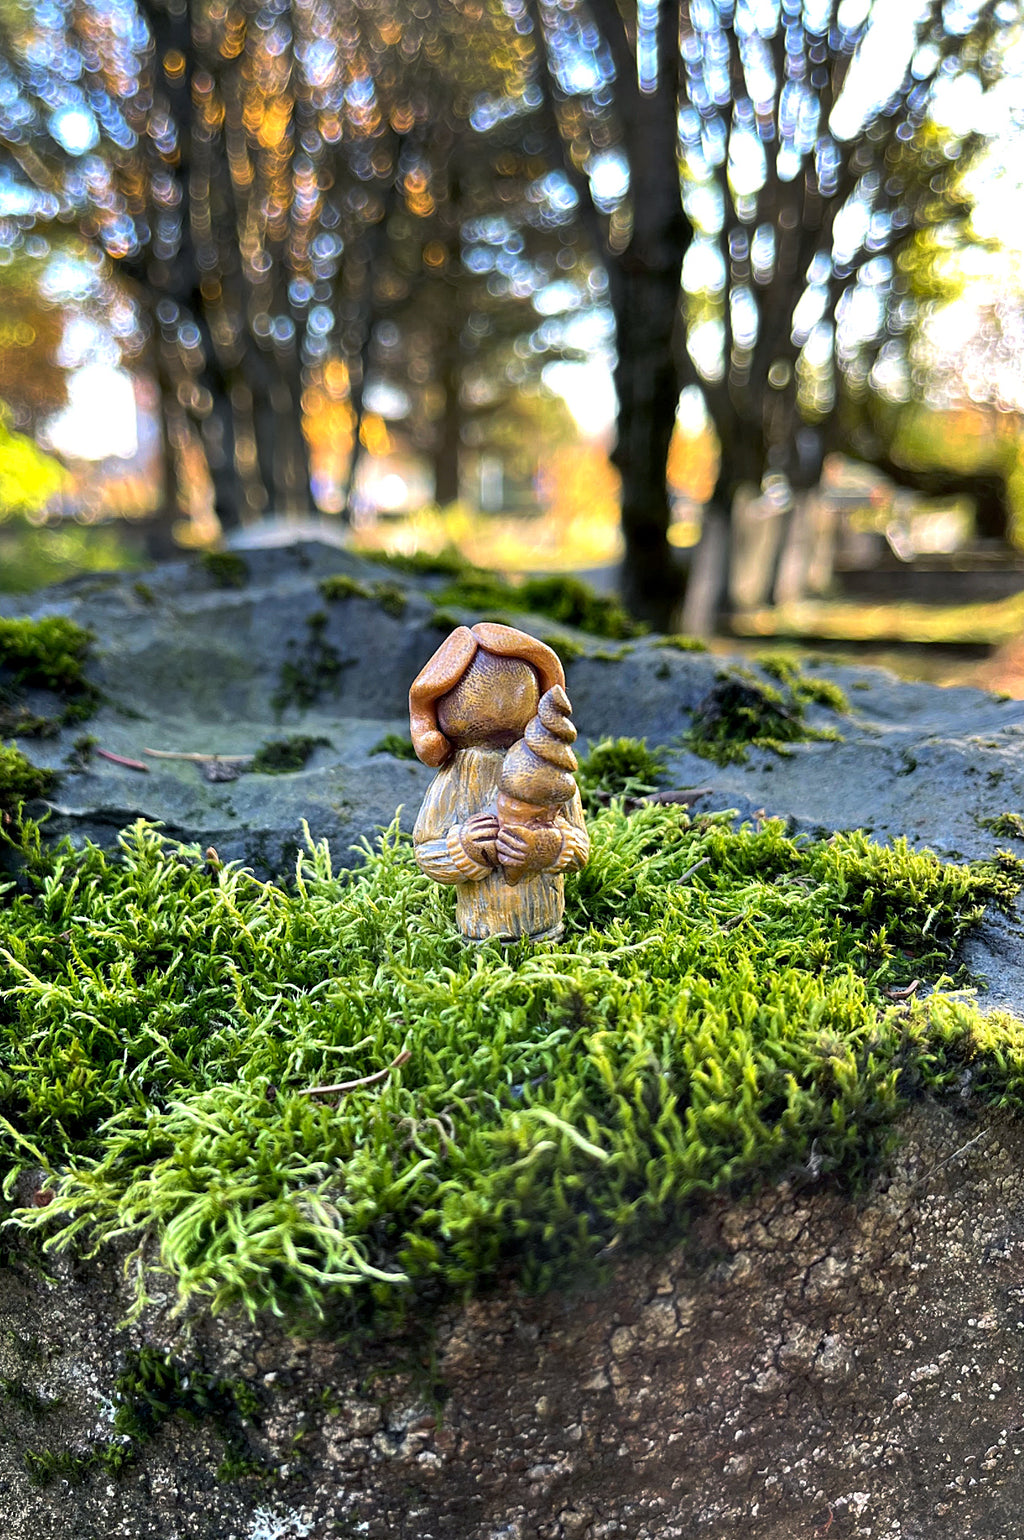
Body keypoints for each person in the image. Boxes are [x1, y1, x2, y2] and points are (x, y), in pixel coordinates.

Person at [409, 622, 589, 941]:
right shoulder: (458, 772)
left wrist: (550, 848)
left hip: (542, 922)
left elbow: (580, 847)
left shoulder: (551, 767)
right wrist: (463, 848)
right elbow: (425, 850)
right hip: (479, 926)